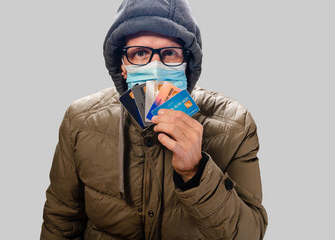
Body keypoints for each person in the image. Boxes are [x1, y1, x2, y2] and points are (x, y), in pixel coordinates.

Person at [40, 0, 268, 239]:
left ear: (187, 64)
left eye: (169, 53)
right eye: (140, 53)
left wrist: (196, 173)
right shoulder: (80, 121)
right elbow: (61, 222)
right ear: (122, 65)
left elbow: (250, 234)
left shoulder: (235, 125)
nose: (156, 66)